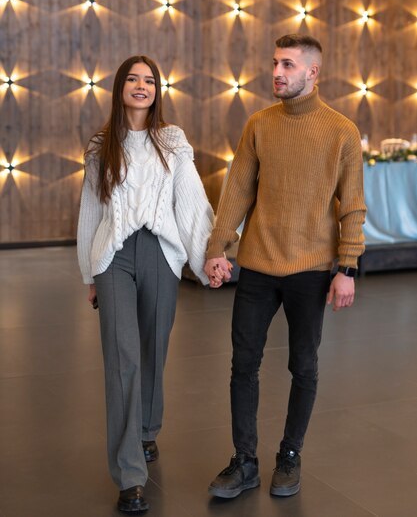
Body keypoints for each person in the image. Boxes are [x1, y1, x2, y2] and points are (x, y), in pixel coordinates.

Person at [204, 34, 366, 499]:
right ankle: (245, 461)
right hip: (256, 265)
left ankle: (290, 455)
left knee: (304, 365)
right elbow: (237, 191)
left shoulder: (342, 131)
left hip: (311, 269)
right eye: (275, 63)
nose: (277, 72)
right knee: (243, 365)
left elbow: (352, 206)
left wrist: (347, 267)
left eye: (288, 65)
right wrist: (219, 248)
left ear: (313, 73)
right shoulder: (259, 124)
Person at [77, 55, 213, 513]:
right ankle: (130, 475)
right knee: (123, 357)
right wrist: (88, 273)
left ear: (157, 90)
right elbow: (91, 214)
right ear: (119, 88)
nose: (141, 86)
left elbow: (190, 201)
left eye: (149, 80)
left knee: (154, 346)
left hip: (159, 253)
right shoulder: (102, 145)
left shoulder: (171, 140)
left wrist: (206, 258)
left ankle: (147, 429)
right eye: (132, 79)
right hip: (113, 257)